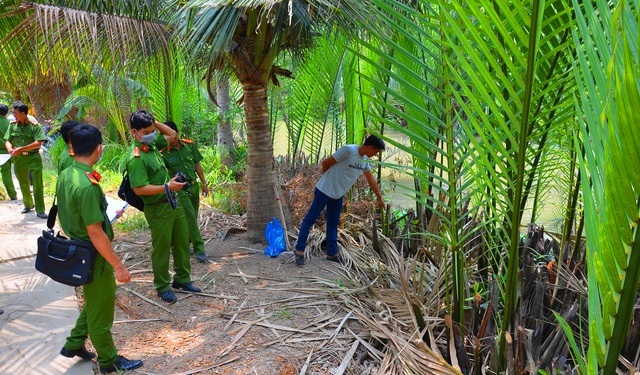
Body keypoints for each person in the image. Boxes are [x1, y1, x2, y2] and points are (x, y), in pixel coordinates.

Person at [57, 124, 143, 373]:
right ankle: (108, 360)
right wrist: (118, 266)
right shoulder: (87, 185)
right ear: (99, 149)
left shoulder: (68, 173)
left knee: (94, 302)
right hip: (93, 255)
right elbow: (95, 232)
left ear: (72, 148)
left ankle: (74, 343)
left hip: (78, 247)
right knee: (102, 311)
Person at [126, 110, 201, 303]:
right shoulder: (136, 157)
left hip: (173, 204)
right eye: (146, 131)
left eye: (152, 130)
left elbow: (171, 135)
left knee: (182, 242)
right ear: (135, 132)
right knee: (161, 249)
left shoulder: (151, 147)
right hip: (157, 208)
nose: (152, 134)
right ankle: (162, 286)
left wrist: (153, 121)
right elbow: (139, 189)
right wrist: (167, 186)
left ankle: (182, 279)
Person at [294, 135, 386, 267]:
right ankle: (299, 251)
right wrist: (327, 179)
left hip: (338, 195)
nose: (375, 155)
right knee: (310, 219)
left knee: (333, 223)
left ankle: (332, 254)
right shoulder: (349, 150)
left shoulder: (365, 160)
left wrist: (380, 197)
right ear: (371, 147)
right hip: (324, 190)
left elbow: (370, 178)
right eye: (376, 152)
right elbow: (326, 162)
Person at [155, 120, 209, 263]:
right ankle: (200, 249)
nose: (170, 140)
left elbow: (197, 165)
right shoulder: (163, 154)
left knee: (193, 216)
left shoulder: (189, 145)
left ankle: (187, 244)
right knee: (190, 217)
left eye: (171, 136)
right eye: (166, 137)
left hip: (193, 186)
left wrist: (204, 183)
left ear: (176, 133)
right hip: (180, 190)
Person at [4, 101, 47, 218]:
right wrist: (9, 148)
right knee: (23, 182)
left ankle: (40, 209)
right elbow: (8, 140)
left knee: (37, 183)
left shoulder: (34, 126)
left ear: (23, 114)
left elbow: (38, 143)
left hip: (33, 157)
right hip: (19, 158)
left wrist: (22, 148)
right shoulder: (12, 125)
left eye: (15, 113)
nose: (13, 115)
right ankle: (28, 204)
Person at [0, 104, 17, 200]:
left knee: (6, 174)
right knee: (20, 171)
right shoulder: (11, 123)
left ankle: (12, 194)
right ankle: (25, 190)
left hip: (1, 153)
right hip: (14, 150)